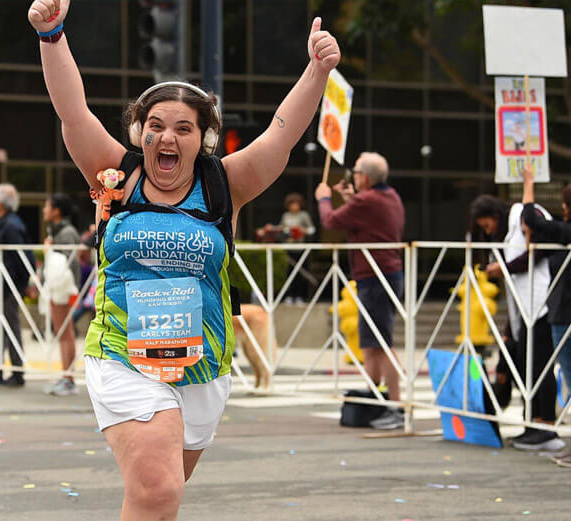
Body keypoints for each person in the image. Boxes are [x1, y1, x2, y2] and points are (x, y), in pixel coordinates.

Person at [29, 1, 340, 518]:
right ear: (139, 133)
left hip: (203, 365)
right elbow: (73, 112)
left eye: (183, 128)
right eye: (155, 125)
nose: (167, 138)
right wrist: (51, 35)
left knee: (156, 497)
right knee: (159, 489)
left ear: (204, 140)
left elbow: (281, 134)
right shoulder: (116, 173)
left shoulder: (224, 185)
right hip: (123, 356)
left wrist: (317, 70)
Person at [315, 152, 405, 429]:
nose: (352, 176)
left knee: (382, 342)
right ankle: (376, 401)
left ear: (364, 177)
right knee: (371, 343)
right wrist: (351, 199)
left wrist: (324, 199)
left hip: (376, 277)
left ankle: (396, 407)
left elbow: (331, 221)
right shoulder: (389, 196)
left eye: (355, 172)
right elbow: (365, 220)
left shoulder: (366, 201)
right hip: (383, 275)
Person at [470, 188, 561, 451]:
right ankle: (533, 423)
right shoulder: (510, 230)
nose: (488, 232)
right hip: (527, 309)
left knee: (540, 366)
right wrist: (511, 328)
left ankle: (546, 427)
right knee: (526, 364)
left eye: (487, 225)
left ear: (494, 214)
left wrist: (505, 268)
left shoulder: (525, 216)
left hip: (544, 303)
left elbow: (537, 253)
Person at [507, 165, 569, 459]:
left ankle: (545, 426)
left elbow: (531, 219)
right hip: (556, 310)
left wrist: (529, 183)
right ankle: (538, 424)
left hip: (561, 312)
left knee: (558, 370)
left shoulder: (566, 232)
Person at [0, 183, 35, 387]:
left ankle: (17, 372)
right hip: (0, 282)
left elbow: (21, 255)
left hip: (9, 283)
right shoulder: (4, 223)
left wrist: (24, 282)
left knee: (10, 326)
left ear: (1, 203)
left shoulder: (11, 226)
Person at [42, 192, 81, 396]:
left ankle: (68, 378)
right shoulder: (57, 230)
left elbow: (67, 263)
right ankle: (66, 376)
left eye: (47, 206)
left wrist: (48, 251)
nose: (44, 210)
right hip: (59, 287)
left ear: (57, 210)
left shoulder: (66, 232)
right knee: (62, 331)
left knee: (65, 332)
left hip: (64, 288)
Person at [279, 192, 314, 303]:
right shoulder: (286, 216)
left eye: (296, 204)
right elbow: (281, 229)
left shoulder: (304, 215)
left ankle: (300, 296)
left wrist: (304, 230)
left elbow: (312, 229)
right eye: (292, 204)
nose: (294, 206)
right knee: (289, 273)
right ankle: (289, 295)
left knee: (300, 273)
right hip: (288, 248)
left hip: (300, 249)